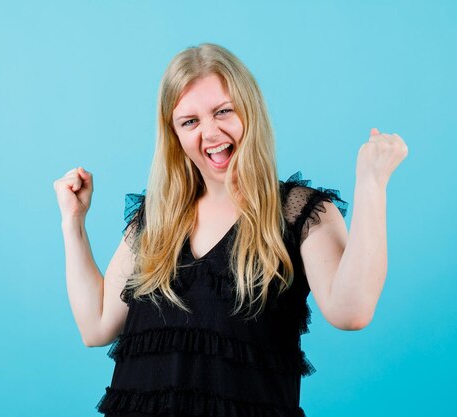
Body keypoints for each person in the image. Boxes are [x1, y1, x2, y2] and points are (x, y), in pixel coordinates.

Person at [53, 43, 408, 417]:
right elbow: (95, 327)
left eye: (223, 111)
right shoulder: (154, 219)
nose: (210, 132)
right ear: (173, 134)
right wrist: (72, 222)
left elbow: (351, 311)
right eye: (189, 121)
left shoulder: (295, 212)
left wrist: (371, 183)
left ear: (249, 111)